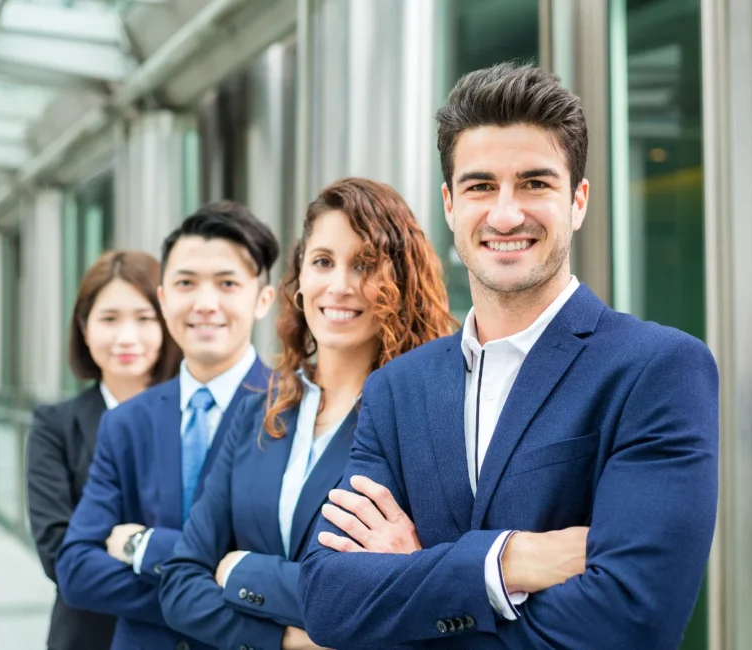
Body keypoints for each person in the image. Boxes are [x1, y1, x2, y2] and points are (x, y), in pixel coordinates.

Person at [298, 62, 720, 649]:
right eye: (480, 186)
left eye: (534, 183)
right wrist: (506, 562)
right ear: (449, 205)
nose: (504, 214)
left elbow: (633, 618)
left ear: (578, 201)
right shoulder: (398, 388)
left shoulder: (658, 369)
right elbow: (329, 601)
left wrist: (419, 578)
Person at [158, 178, 455, 650]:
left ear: (400, 281)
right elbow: (179, 583)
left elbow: (408, 593)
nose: (339, 286)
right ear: (299, 282)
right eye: (322, 262)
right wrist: (288, 641)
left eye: (364, 264)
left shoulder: (425, 422)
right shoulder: (260, 410)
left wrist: (241, 569)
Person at [55, 201, 279, 650]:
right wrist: (215, 589)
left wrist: (145, 547)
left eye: (228, 284)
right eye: (185, 283)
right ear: (163, 298)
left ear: (262, 300)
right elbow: (76, 569)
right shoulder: (126, 423)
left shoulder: (292, 410)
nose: (205, 303)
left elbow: (288, 569)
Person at [26, 250, 182, 650]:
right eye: (109, 319)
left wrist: (111, 545)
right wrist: (194, 596)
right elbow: (59, 555)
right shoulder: (55, 425)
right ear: (83, 327)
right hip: (88, 636)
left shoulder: (198, 413)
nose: (126, 337)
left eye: (144, 318)